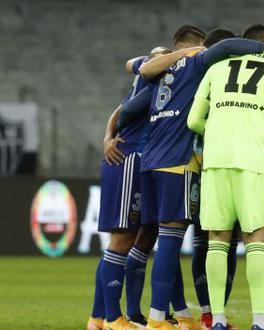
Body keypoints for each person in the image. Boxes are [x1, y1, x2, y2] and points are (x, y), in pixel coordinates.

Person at [138, 24, 264, 330]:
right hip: (243, 162)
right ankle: (258, 322)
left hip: (206, 163)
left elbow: (187, 117)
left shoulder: (199, 70)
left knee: (210, 241)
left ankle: (208, 317)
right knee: (252, 241)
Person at [187, 24, 264, 330]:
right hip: (253, 162)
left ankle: (218, 320)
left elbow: (194, 120)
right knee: (255, 242)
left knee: (217, 241)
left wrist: (223, 127)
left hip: (216, 161)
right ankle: (260, 322)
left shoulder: (217, 67)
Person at [87, 46, 170, 330]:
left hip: (137, 159)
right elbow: (127, 111)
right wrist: (111, 136)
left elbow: (122, 104)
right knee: (122, 239)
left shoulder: (145, 77)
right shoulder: (153, 85)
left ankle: (98, 317)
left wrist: (109, 135)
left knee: (132, 237)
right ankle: (112, 318)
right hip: (129, 158)